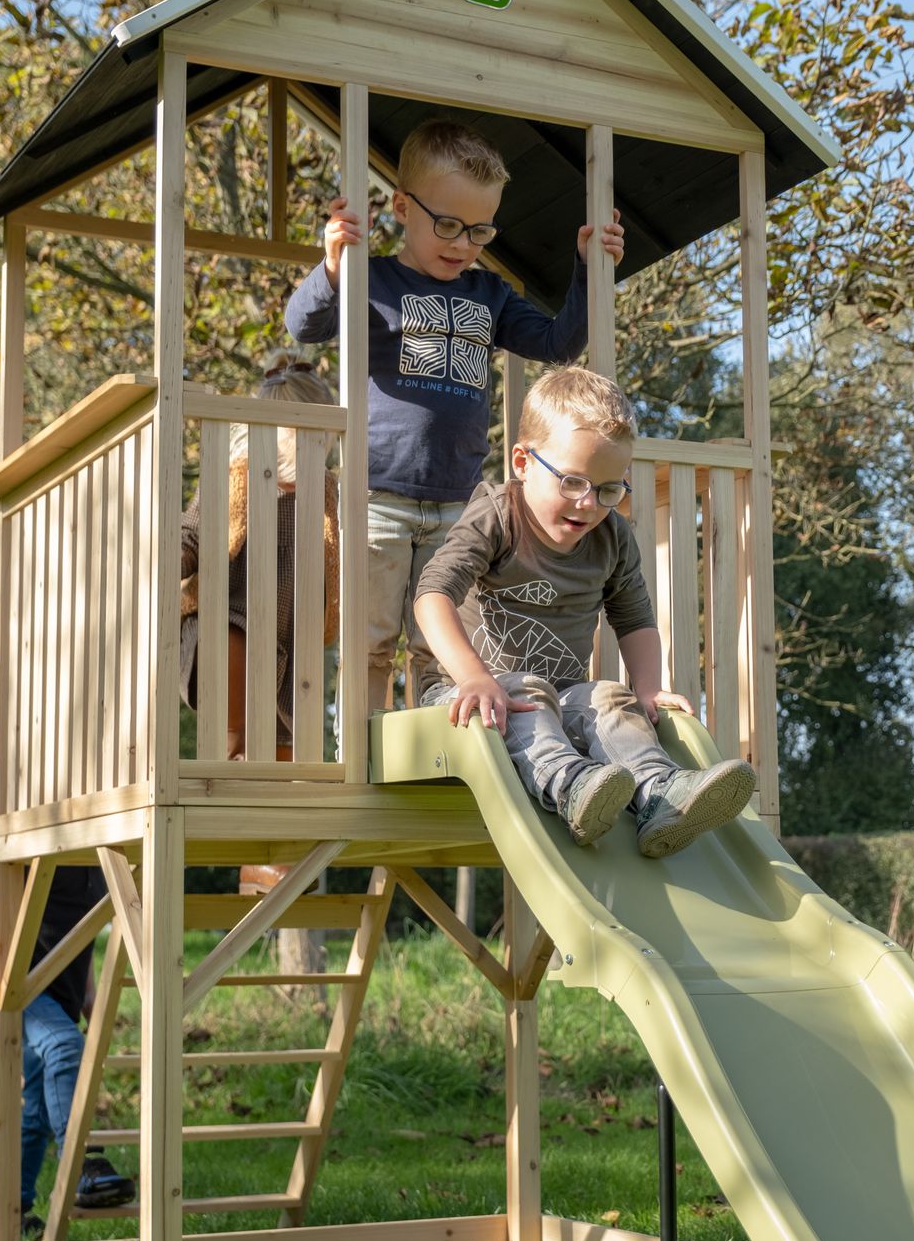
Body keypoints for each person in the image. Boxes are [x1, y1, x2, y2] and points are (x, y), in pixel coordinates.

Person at [285, 118, 625, 710]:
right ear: (400, 206)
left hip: (459, 503)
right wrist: (335, 267)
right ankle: (363, 758)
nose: (462, 243)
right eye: (447, 224)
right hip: (378, 496)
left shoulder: (488, 295)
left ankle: (430, 755)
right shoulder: (375, 280)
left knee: (441, 643)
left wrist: (589, 270)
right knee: (371, 641)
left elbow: (556, 343)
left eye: (480, 230)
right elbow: (304, 326)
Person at [410, 365, 755, 859]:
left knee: (610, 698)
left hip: (560, 695)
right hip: (463, 699)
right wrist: (472, 677)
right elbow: (433, 595)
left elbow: (634, 618)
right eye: (573, 482)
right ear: (523, 462)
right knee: (523, 694)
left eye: (608, 489)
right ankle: (572, 787)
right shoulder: (497, 516)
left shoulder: (612, 537)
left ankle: (660, 795)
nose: (589, 504)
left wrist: (649, 688)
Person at [178, 353, 341, 761]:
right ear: (266, 437)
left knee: (284, 744)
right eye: (301, 442)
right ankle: (229, 758)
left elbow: (343, 552)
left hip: (289, 636)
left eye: (321, 442)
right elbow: (192, 532)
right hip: (227, 615)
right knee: (239, 714)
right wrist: (177, 558)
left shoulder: (326, 495)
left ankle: (278, 796)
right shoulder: (235, 480)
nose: (313, 452)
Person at [0, 870, 135, 1241]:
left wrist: (89, 994)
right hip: (21, 988)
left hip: (64, 1000)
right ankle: (83, 1163)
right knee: (65, 1047)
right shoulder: (37, 857)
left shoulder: (97, 867)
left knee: (36, 1113)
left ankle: (14, 1212)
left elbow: (82, 936)